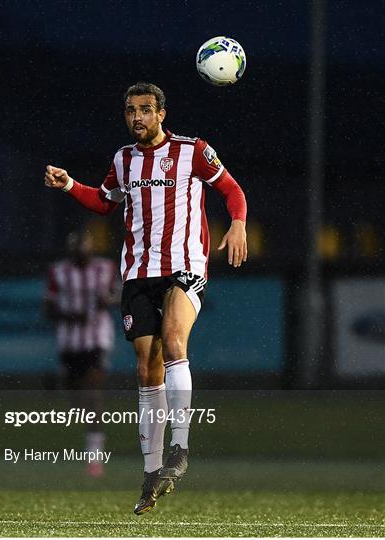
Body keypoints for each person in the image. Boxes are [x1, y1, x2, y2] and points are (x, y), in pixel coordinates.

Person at [44, 82, 247, 513]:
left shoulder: (193, 151)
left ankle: (180, 447)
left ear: (161, 114)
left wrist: (239, 223)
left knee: (174, 340)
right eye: (130, 110)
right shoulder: (123, 160)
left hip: (184, 267)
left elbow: (231, 189)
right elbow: (104, 202)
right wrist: (68, 185)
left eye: (145, 110)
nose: (137, 117)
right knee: (145, 368)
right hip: (137, 273)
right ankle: (152, 472)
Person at [44, 229, 120, 477]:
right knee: (77, 398)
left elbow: (118, 295)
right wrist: (68, 315)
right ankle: (91, 439)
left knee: (93, 392)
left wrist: (107, 301)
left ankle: (94, 457)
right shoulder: (59, 272)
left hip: (97, 338)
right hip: (70, 341)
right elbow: (48, 308)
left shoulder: (105, 267)